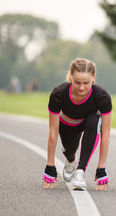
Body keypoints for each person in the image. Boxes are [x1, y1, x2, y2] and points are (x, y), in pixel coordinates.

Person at [42, 58, 112, 191]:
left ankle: (80, 172)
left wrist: (101, 168)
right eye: (77, 82)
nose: (81, 87)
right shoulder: (58, 93)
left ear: (93, 78)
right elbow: (53, 131)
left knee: (94, 119)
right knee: (69, 151)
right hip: (67, 125)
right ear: (70, 77)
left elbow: (106, 134)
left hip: (89, 124)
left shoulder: (102, 96)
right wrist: (50, 166)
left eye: (86, 83)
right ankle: (71, 161)